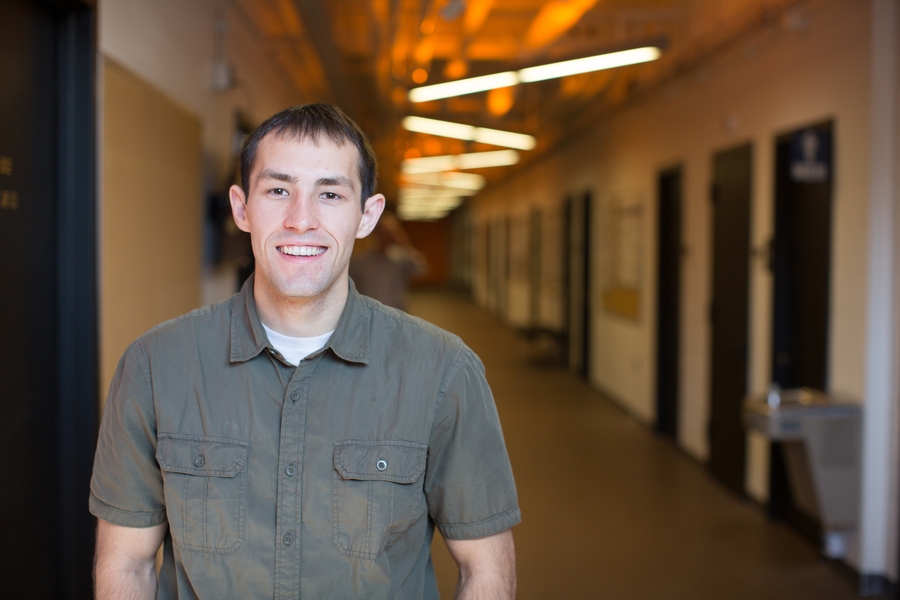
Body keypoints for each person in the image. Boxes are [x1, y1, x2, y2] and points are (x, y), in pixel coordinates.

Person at [90, 103, 520, 599]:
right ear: (241, 208)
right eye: (278, 190)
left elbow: (486, 570)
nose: (301, 220)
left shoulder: (444, 371)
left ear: (367, 215)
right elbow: (127, 563)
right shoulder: (154, 366)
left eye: (330, 194)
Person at [349, 211, 427, 310]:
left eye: (391, 233)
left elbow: (420, 271)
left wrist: (406, 245)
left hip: (397, 312)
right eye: (384, 232)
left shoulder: (401, 258)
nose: (386, 236)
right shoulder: (362, 260)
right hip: (370, 312)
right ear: (376, 233)